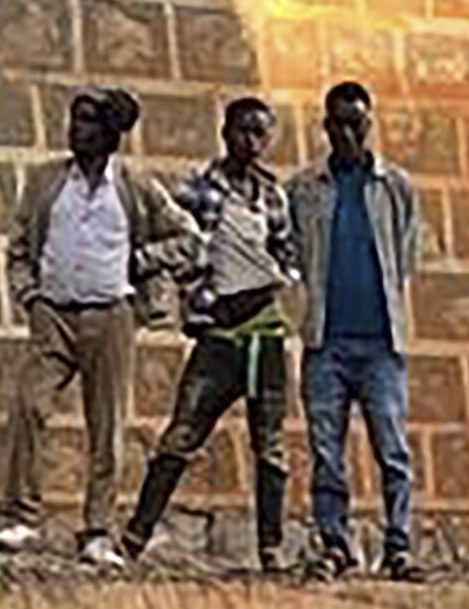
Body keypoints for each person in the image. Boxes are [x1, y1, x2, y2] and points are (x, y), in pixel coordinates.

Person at [0, 90, 181, 565]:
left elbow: (188, 238)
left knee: (107, 425)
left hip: (111, 314)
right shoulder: (45, 181)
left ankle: (97, 530)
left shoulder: (135, 186)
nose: (75, 131)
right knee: (29, 405)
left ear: (109, 134)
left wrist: (142, 260)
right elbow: (18, 246)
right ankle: (22, 516)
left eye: (88, 123)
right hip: (52, 313)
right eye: (73, 121)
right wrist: (28, 297)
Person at [120, 96, 298, 569]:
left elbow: (286, 252)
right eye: (243, 131)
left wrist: (274, 275)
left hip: (265, 332)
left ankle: (271, 548)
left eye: (260, 134)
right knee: (181, 435)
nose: (251, 142)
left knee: (271, 446)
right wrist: (188, 290)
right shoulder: (199, 189)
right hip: (219, 335)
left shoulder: (273, 197)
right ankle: (136, 535)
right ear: (225, 132)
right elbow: (173, 238)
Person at [291, 78, 428, 580]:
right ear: (327, 127)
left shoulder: (395, 187)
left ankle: (399, 545)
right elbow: (292, 254)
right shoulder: (305, 189)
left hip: (380, 342)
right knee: (326, 450)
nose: (348, 133)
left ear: (368, 126)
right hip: (325, 340)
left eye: (358, 123)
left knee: (391, 448)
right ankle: (335, 544)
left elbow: (407, 251)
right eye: (339, 124)